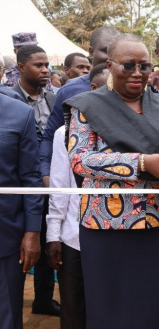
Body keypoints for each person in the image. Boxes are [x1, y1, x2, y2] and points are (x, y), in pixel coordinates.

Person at [65, 33, 159, 329]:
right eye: (128, 65)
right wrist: (139, 163)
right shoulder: (87, 105)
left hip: (157, 222)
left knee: (152, 307)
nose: (137, 73)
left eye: (144, 66)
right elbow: (80, 159)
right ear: (110, 65)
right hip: (105, 227)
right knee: (109, 308)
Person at [45, 62, 109, 329]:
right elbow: (60, 187)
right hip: (74, 234)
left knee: (106, 303)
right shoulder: (65, 132)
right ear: (93, 89)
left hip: (115, 233)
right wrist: (53, 235)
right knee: (72, 305)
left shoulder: (130, 132)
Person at [11, 44, 60, 316]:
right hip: (21, 183)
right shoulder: (10, 101)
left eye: (46, 65)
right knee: (21, 240)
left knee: (43, 238)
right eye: (38, 65)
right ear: (20, 68)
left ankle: (43, 299)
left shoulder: (53, 99)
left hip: (51, 182)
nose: (45, 70)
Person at [40, 26, 119, 188]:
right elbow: (51, 136)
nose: (111, 57)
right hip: (75, 184)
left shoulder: (136, 90)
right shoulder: (69, 92)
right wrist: (46, 173)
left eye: (116, 52)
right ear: (91, 52)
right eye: (106, 51)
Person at [0, 93, 44, 329]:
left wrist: (32, 232)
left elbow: (31, 177)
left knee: (6, 316)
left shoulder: (20, 113)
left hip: (6, 235)